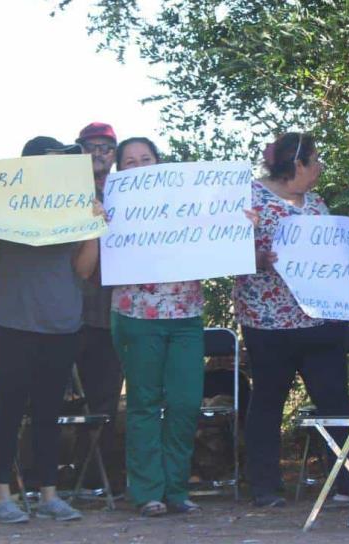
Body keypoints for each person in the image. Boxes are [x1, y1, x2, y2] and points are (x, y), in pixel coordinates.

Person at [0, 136, 103, 524]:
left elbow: (83, 270)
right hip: (10, 326)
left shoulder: (73, 202)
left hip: (62, 328)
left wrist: (94, 227)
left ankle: (50, 496)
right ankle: (2, 498)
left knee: (49, 415)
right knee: (10, 412)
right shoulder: (5, 200)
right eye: (50, 161)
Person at [233, 132, 349, 507]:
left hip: (322, 321)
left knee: (335, 399)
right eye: (316, 160)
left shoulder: (317, 203)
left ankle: (346, 483)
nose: (320, 167)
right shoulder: (249, 199)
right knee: (268, 400)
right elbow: (225, 251)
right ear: (297, 164)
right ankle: (266, 487)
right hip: (267, 322)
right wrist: (258, 259)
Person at [108, 137, 205, 516]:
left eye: (145, 159)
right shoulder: (110, 206)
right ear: (120, 171)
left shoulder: (188, 200)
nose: (139, 166)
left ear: (159, 163)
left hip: (186, 313)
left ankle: (177, 489)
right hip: (136, 314)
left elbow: (219, 231)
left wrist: (238, 223)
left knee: (185, 402)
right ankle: (148, 491)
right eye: (129, 162)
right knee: (144, 404)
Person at [73, 122, 124, 492]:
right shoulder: (62, 193)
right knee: (62, 398)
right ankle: (59, 475)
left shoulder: (131, 195)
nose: (99, 154)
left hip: (112, 312)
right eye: (91, 147)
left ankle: (101, 478)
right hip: (67, 310)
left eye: (106, 148)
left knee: (105, 399)